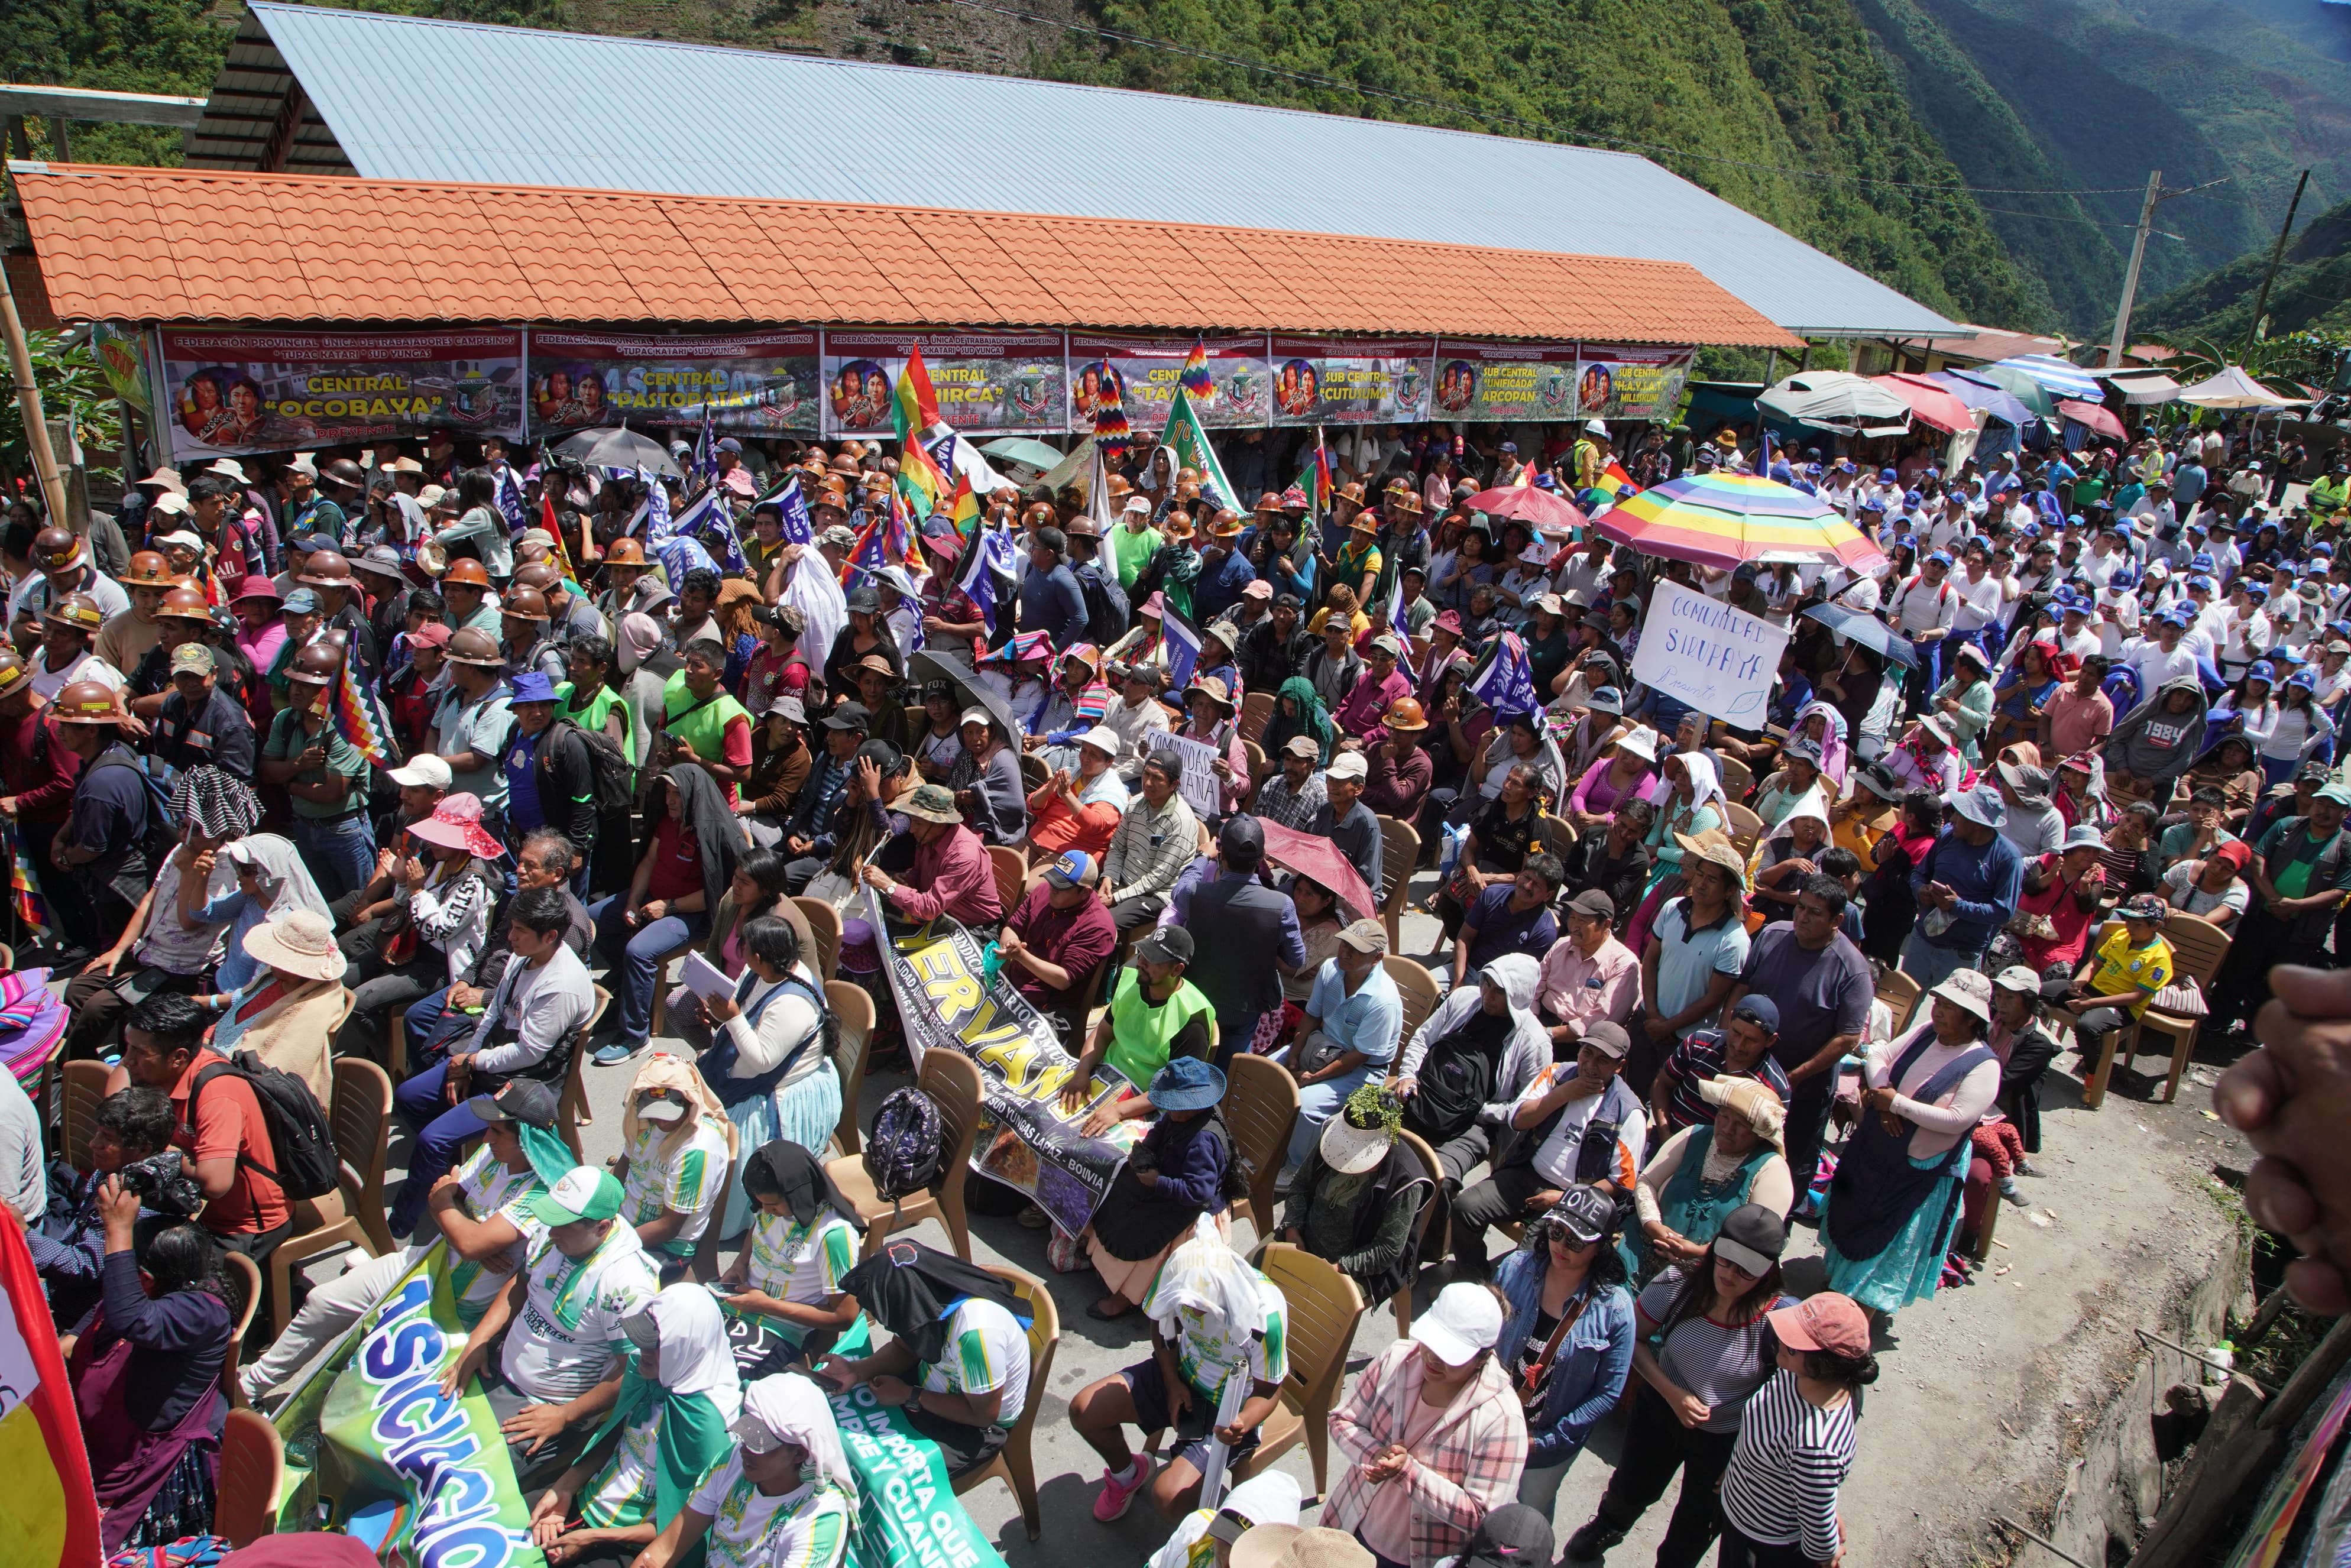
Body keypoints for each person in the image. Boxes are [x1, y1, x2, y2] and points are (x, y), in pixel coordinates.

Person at [242, 1079, 569, 1405]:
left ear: (527, 1139)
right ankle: (247, 1389)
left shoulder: (541, 1191)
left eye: (497, 1132)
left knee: (374, 1378)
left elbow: (461, 1228)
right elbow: (443, 1197)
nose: (486, 1138)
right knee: (322, 1301)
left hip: (459, 1310)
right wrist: (468, 1230)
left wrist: (461, 1226)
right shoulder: (492, 1154)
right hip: (425, 1264)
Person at [1562, 1206, 1791, 1568]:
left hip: (1727, 1438)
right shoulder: (1678, 1283)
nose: (1730, 1275)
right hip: (1659, 1409)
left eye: (1746, 1270)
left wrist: (1747, 1461)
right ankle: (1608, 1527)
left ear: (1767, 1273)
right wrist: (1673, 1394)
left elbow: (1785, 1402)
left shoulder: (1780, 1322)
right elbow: (1633, 1340)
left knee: (1697, 1523)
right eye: (1725, 1260)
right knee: (1632, 1487)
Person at [389, 886, 595, 1236]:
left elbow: (530, 1053)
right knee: (408, 1096)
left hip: (524, 1085)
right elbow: (494, 1013)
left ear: (550, 937)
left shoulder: (561, 986)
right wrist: (467, 1062)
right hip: (492, 1063)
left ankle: (400, 1227)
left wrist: (472, 1063)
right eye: (512, 927)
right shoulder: (522, 956)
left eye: (520, 931)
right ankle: (454, 1177)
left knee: (431, 1141)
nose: (510, 937)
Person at [446, 1167, 661, 1486]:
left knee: (460, 1476)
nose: (550, 1231)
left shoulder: (627, 1286)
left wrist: (565, 1416)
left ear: (601, 1227)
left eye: (563, 1224)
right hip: (498, 1370)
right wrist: (479, 1341)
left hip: (544, 1410)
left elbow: (633, 1371)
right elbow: (521, 1285)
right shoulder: (552, 1236)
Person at [1071, 1219, 1289, 1522]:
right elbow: (1160, 1325)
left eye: (1203, 1308)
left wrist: (1241, 1423)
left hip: (1227, 1407)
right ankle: (1127, 1475)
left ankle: (1196, 1532)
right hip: (1179, 1373)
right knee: (1085, 1410)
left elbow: (1270, 1390)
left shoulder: (1265, 1318)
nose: (1192, 1314)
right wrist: (1172, 1382)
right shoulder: (1177, 1275)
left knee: (1168, 1498)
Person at [1820, 970, 2002, 1322]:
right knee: (1856, 1215)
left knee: (1890, 1240)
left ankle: (1856, 1316)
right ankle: (1838, 1288)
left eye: (1950, 1007)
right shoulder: (1925, 1033)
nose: (1939, 1011)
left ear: (1972, 1018)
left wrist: (1896, 1105)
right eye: (1939, 1002)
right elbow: (1878, 1055)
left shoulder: (1984, 1066)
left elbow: (1958, 1119)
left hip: (1919, 1170)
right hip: (1878, 1152)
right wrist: (1885, 1094)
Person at [67, 1183, 235, 1553]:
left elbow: (129, 1317)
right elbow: (104, 1316)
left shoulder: (201, 1312)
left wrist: (118, 1231)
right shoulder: (158, 1292)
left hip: (152, 1465)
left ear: (144, 1280)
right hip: (110, 1445)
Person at [529, 1284, 743, 1566]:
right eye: (642, 1339)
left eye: (656, 1345)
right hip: (584, 1503)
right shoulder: (650, 1373)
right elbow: (616, 1435)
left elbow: (685, 1529)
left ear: (686, 1348)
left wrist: (593, 1538)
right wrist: (565, 1488)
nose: (643, 1350)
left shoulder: (710, 1428)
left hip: (626, 1545)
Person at [1326, 1281, 1527, 1568]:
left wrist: (1408, 1474)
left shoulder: (1502, 1421)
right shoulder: (1397, 1358)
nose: (1433, 1358)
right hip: (1354, 1523)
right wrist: (1374, 1455)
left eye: (1449, 1353)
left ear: (1482, 1358)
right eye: (1431, 1341)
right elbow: (1342, 1418)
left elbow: (1483, 1517)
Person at [821, 1237, 1034, 1479]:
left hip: (974, 1426)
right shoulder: (927, 1299)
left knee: (879, 1476)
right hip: (931, 1387)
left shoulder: (976, 1336)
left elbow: (983, 1415)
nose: (885, 1325)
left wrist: (910, 1395)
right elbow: (905, 1349)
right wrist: (857, 1371)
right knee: (831, 1429)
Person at [102, 993, 289, 1259]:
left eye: (139, 1052)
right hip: (188, 1208)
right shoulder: (158, 1062)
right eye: (128, 1047)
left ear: (178, 1057)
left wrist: (157, 1144)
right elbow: (118, 1098)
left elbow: (215, 1183)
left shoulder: (218, 1095)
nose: (128, 1060)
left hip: (240, 1225)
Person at [1450, 1022, 1646, 1275]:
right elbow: (1518, 1119)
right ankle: (1473, 1279)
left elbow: (1621, 1182)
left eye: (1603, 1061)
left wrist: (1567, 1198)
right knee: (1465, 1207)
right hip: (1527, 1174)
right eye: (1587, 1053)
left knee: (1530, 1253)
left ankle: (1507, 1294)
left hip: (1577, 1199)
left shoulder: (1628, 1112)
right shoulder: (1557, 1075)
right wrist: (1563, 1094)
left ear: (1619, 1066)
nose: (1590, 1066)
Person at [1727, 877, 1871, 1214]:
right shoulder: (1772, 935)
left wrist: (1792, 1078)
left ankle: (1773, 1229)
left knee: (1787, 1167)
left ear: (1837, 920)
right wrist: (1727, 1039)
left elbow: (1848, 1037)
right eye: (1801, 908)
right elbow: (1742, 988)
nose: (1802, 917)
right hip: (1745, 1072)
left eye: (1815, 913)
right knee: (1731, 1149)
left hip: (1803, 1090)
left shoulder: (1853, 970)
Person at [590, 765, 743, 1064]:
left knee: (638, 951)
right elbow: (649, 861)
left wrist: (670, 906)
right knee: (591, 920)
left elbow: (719, 893)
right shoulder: (667, 821)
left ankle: (635, 1036)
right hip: (653, 898)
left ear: (693, 796)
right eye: (668, 793)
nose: (670, 800)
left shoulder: (716, 831)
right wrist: (632, 901)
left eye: (677, 794)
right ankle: (629, 985)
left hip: (691, 914)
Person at [628, 1372, 856, 1568]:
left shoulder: (821, 1519)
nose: (745, 1449)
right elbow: (665, 1550)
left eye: (760, 1446)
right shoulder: (733, 1458)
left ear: (800, 1454)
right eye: (746, 1435)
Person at [1085, 1055, 1249, 1318]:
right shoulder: (1180, 1115)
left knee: (1146, 1232)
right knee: (1120, 1189)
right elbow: (1161, 1130)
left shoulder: (1202, 1141)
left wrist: (1158, 1182)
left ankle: (1126, 1297)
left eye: (1176, 1107)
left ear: (1197, 1105)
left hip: (1192, 1210)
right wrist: (1146, 1151)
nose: (1170, 1112)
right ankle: (1108, 1267)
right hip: (1170, 1181)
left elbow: (1199, 1192)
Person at [1715, 1295, 1873, 1568]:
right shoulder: (1793, 1374)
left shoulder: (1816, 1447)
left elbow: (1819, 1535)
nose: (1781, 1340)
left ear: (1824, 1364)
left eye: (1793, 1344)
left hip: (1765, 1544)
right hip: (1740, 1514)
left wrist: (1829, 1554)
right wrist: (1739, 1470)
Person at [1390, 954, 1550, 1190]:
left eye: (1499, 992)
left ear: (1518, 997)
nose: (1488, 995)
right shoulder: (1463, 999)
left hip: (1476, 1123)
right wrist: (1408, 1075)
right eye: (1487, 984)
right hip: (1424, 1092)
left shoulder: (1534, 1043)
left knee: (1438, 1180)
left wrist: (1479, 1110)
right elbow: (1423, 1038)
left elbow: (1525, 1106)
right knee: (1365, 1132)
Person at [716, 1141, 866, 1378]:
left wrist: (767, 1305)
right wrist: (740, 1263)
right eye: (761, 1204)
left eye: (772, 1205)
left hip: (779, 1328)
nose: (765, 1211)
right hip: (738, 1304)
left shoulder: (833, 1236)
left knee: (722, 1377)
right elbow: (758, 1228)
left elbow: (844, 1317)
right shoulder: (772, 1207)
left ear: (798, 1195)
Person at [1625, 1077, 1793, 1284]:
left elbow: (1757, 1236)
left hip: (1712, 1275)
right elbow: (1647, 1182)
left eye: (1741, 1125)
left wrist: (1704, 1252)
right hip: (1645, 1248)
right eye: (1724, 1117)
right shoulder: (1692, 1136)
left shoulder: (1771, 1169)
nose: (1728, 1129)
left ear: (1759, 1134)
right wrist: (1652, 1225)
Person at [1280, 1085, 1434, 1309]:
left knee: (1305, 1313)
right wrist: (1293, 1229)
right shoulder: (1334, 1139)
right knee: (1253, 1275)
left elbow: (1387, 1250)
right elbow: (1301, 1186)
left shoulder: (1405, 1180)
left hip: (1355, 1268)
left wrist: (1337, 1269)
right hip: (1302, 1240)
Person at [1062, 924, 1216, 1132]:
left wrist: (1119, 1111)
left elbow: (1176, 1088)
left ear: (1177, 970)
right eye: (1143, 953)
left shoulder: (1192, 1019)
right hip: (1106, 1076)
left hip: (1147, 1100)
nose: (1141, 962)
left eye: (1153, 959)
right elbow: (1103, 1033)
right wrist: (1082, 1071)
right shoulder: (1130, 980)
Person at [197, 909, 345, 1107]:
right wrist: (210, 1001)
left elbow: (275, 1069)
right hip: (215, 1050)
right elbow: (247, 996)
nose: (272, 962)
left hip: (234, 1083)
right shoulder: (276, 976)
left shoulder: (313, 1009)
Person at [1288, 919, 1404, 1168]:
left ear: (1376, 958)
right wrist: (1294, 1055)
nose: (1345, 953)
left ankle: (1296, 1167)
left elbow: (1360, 1056)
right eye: (1344, 944)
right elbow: (1312, 1016)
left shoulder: (1383, 1001)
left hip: (1363, 1070)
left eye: (1357, 950)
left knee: (1306, 1105)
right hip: (1321, 1046)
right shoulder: (1330, 969)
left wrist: (1314, 1078)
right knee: (1268, 1072)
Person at [613, 1053, 737, 1278]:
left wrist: (610, 1245)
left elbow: (668, 1227)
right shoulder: (643, 1122)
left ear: (690, 1102)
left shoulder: (697, 1151)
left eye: (668, 1114)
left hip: (665, 1246)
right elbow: (621, 1169)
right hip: (623, 1226)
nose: (661, 1122)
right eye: (653, 1112)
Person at [1899, 783, 2023, 988]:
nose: (1952, 819)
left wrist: (1957, 906)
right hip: (1921, 943)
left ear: (1977, 824)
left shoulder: (2008, 858)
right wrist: (1920, 890)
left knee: (1949, 1009)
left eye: (1960, 814)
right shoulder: (1948, 836)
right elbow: (1919, 874)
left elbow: (2003, 912)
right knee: (1901, 1001)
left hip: (1961, 955)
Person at [2058, 893, 2176, 1087]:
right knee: (2042, 991)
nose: (2129, 928)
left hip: (2123, 1007)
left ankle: (2092, 1073)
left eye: (2137, 925)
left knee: (2087, 1027)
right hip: (2094, 991)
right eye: (2128, 921)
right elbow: (2095, 964)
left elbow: (2136, 997)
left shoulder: (2159, 960)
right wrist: (2079, 981)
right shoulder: (2121, 936)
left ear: (2155, 926)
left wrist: (2091, 1003)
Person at [861, 780, 1003, 929]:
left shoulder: (964, 857)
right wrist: (909, 878)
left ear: (941, 824)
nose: (912, 830)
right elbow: (920, 871)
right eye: (913, 822)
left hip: (974, 927)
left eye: (918, 823)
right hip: (942, 913)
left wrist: (889, 885)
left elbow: (929, 909)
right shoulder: (929, 837)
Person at [1102, 752, 1203, 932]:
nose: (1148, 783)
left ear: (1174, 785)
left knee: (1105, 924)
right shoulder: (1135, 803)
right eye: (1146, 774)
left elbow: (1159, 877)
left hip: (1155, 894)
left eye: (1157, 778)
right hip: (1123, 880)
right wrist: (1109, 877)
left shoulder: (1181, 821)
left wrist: (1117, 898)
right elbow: (1117, 847)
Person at [1533, 889, 1640, 1048]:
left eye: (1582, 921)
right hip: (1539, 1021)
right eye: (1572, 918)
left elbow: (1602, 1019)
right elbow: (1535, 986)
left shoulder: (1623, 964)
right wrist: (1531, 1022)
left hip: (1580, 1043)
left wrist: (1548, 1033)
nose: (1574, 927)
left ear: (1606, 924)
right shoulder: (1562, 945)